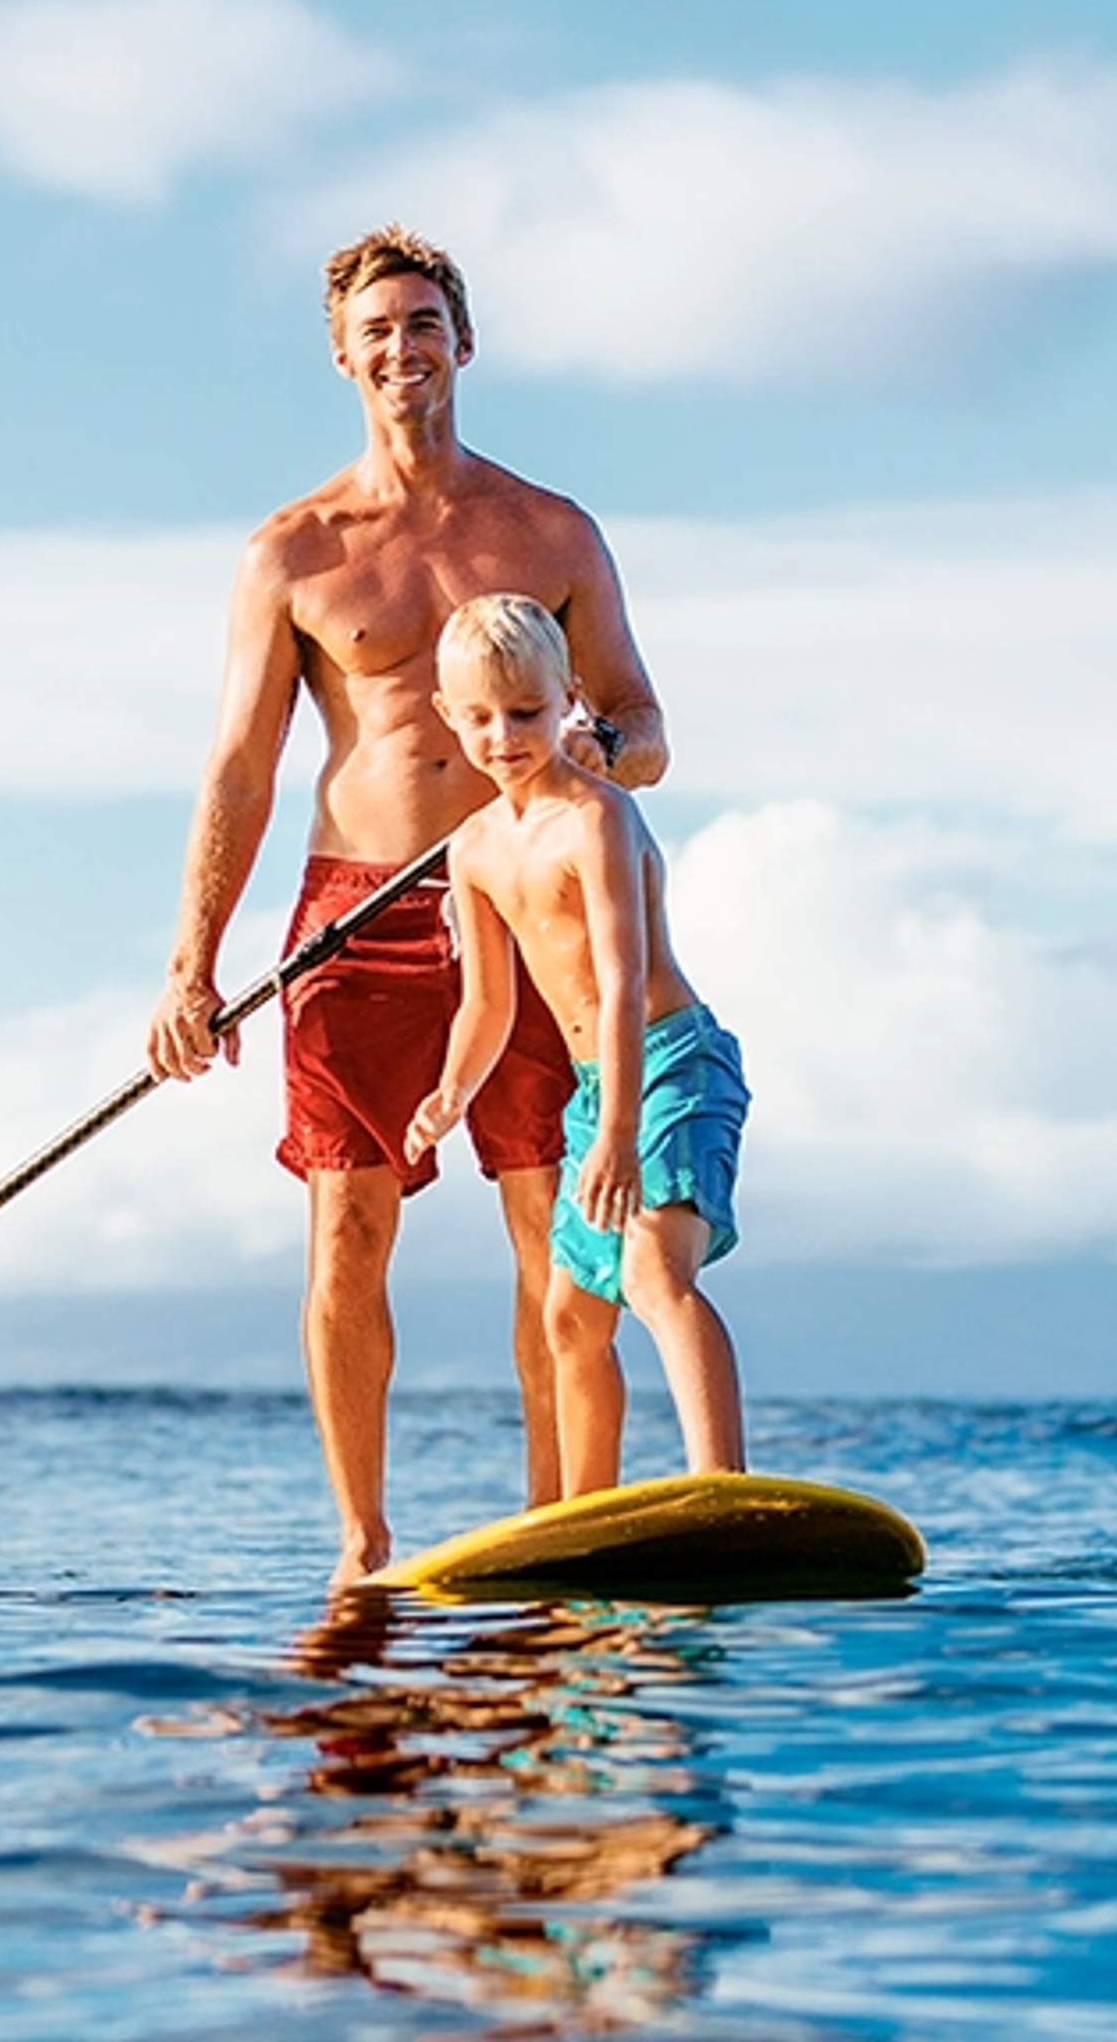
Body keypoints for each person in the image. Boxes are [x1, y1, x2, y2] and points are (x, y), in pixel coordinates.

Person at [148, 230, 669, 1587]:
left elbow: (643, 722)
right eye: (377, 328)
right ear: (342, 355)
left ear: (464, 342)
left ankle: (564, 1520)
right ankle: (364, 1541)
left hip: (524, 894)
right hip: (351, 917)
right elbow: (241, 766)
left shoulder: (551, 532)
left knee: (553, 1219)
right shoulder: (294, 552)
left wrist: (599, 753)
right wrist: (189, 968)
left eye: (424, 321)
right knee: (350, 1226)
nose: (403, 347)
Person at [404, 594, 747, 1503]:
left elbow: (624, 981)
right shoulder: (472, 849)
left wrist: (619, 1132)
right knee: (567, 1318)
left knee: (649, 1272)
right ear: (447, 714)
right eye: (479, 717)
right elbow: (488, 1003)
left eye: (526, 712)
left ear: (570, 701)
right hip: (599, 1091)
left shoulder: (597, 819)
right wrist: (449, 1094)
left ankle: (720, 1489)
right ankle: (583, 1515)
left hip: (669, 1065)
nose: (503, 735)